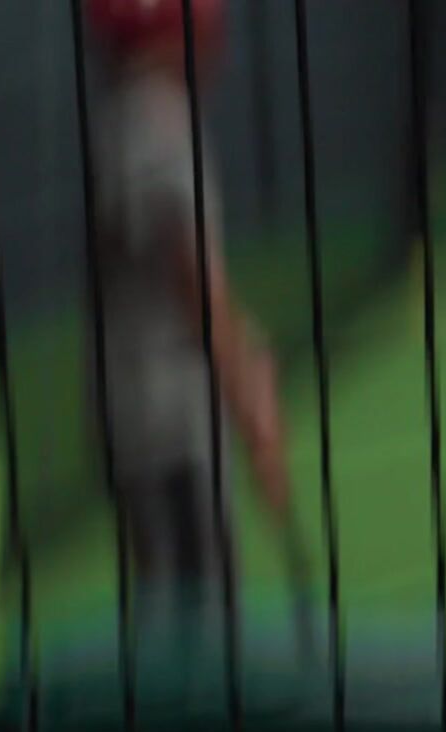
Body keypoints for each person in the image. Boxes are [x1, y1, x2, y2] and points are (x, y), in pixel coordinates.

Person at [85, 0, 289, 626]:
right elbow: (193, 282)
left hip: (148, 417)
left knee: (182, 615)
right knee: (198, 628)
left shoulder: (132, 114)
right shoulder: (156, 122)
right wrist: (250, 402)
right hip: (166, 426)